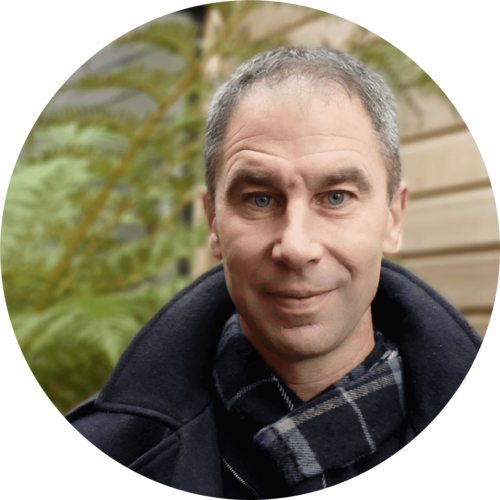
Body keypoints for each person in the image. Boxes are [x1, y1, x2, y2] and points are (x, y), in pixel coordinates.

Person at [65, 47, 483, 498]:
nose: (296, 248)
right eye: (260, 199)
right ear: (213, 223)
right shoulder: (109, 448)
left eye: (336, 197)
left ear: (393, 218)